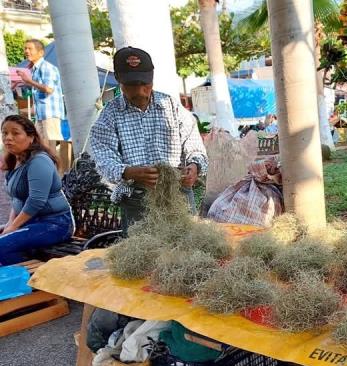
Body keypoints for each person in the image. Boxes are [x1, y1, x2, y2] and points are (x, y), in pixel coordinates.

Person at [89, 46, 208, 236]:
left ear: (151, 79)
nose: (141, 92)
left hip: (178, 194)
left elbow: (193, 143)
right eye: (132, 86)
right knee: (146, 259)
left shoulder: (170, 105)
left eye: (144, 84)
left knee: (188, 249)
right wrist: (127, 172)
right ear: (119, 81)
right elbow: (103, 158)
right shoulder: (109, 115)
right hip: (137, 201)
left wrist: (194, 166)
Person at [0, 114, 74, 265]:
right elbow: (17, 199)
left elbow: (35, 201)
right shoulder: (16, 160)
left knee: (2, 246)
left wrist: (13, 227)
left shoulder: (39, 161)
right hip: (31, 222)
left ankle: (29, 281)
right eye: (4, 133)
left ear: (31, 137)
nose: (8, 137)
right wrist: (10, 223)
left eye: (15, 133)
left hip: (55, 224)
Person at [19, 39, 65, 145]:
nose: (26, 51)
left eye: (30, 48)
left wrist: (29, 81)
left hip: (50, 113)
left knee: (51, 145)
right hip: (41, 114)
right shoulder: (35, 69)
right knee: (39, 145)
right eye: (25, 48)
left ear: (41, 53)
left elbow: (49, 89)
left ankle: (56, 162)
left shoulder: (47, 67)